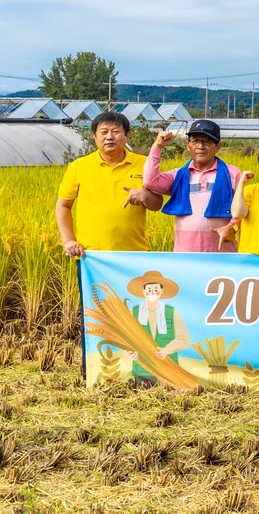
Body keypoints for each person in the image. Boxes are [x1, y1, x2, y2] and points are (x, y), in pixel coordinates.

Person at [56, 111, 160, 257]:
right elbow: (63, 206)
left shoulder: (144, 164)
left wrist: (146, 196)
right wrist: (68, 241)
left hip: (135, 254)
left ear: (127, 135)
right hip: (90, 256)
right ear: (94, 135)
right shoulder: (78, 166)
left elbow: (157, 204)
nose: (109, 137)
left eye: (116, 132)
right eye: (103, 132)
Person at [143, 119, 242, 252]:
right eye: (195, 141)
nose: (200, 146)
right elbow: (150, 182)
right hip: (185, 257)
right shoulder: (177, 176)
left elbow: (244, 207)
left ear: (217, 146)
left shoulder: (232, 173)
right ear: (188, 145)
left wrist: (232, 227)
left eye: (206, 141)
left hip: (222, 255)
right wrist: (157, 147)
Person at [124, 270, 191, 383]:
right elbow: (124, 337)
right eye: (149, 289)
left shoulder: (171, 311)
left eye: (156, 289)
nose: (152, 292)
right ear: (144, 291)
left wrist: (167, 350)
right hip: (142, 370)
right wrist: (128, 351)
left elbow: (185, 339)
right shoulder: (134, 312)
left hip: (169, 370)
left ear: (161, 291)